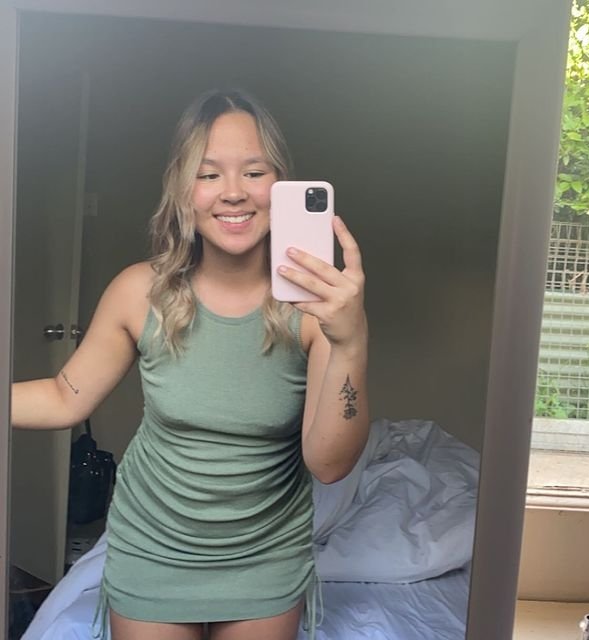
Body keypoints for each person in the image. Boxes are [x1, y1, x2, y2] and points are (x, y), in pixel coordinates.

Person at [11, 89, 369, 640]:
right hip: (151, 549)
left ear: (282, 186)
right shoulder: (139, 292)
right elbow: (64, 397)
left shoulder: (317, 310)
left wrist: (350, 341)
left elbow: (328, 464)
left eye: (254, 172)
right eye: (208, 174)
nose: (233, 192)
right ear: (183, 190)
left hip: (265, 558)